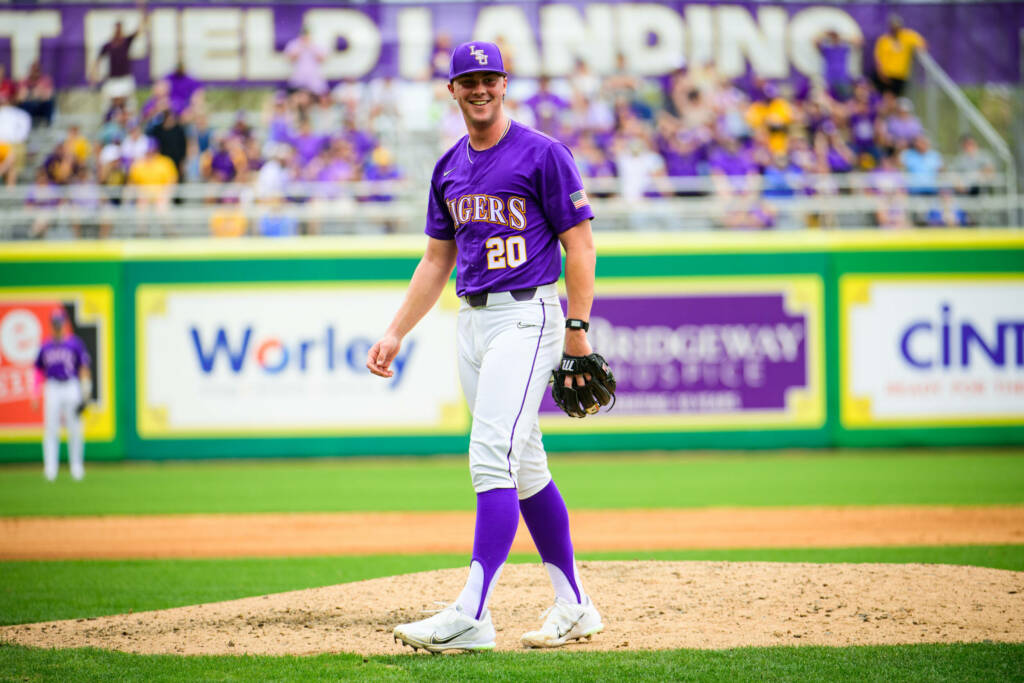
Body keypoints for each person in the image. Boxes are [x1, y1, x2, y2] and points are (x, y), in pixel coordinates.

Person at [367, 41, 604, 653]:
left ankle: (472, 612)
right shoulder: (449, 165)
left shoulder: (543, 153)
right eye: (467, 80)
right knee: (524, 467)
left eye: (488, 78)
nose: (478, 89)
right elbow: (436, 258)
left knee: (488, 457)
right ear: (452, 90)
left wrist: (577, 330)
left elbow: (580, 246)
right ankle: (574, 605)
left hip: (527, 317)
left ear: (504, 84)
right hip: (471, 322)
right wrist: (396, 329)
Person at [32, 308, 92, 481]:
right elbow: (38, 370)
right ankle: (50, 468)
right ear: (51, 324)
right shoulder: (45, 345)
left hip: (71, 385)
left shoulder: (74, 343)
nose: (57, 326)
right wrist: (35, 392)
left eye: (60, 323)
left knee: (75, 428)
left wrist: (86, 389)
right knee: (51, 428)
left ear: (64, 324)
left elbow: (83, 366)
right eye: (55, 323)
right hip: (52, 387)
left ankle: (76, 466)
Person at [89, 4, 149, 112]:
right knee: (107, 106)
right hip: (112, 80)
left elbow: (141, 28)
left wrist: (141, 8)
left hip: (125, 79)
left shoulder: (126, 42)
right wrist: (94, 75)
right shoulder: (108, 45)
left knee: (130, 105)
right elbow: (97, 60)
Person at [873, 14, 926, 96]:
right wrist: (881, 74)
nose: (895, 29)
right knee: (886, 97)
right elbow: (878, 59)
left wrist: (919, 48)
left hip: (900, 76)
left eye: (897, 27)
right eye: (893, 26)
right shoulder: (883, 40)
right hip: (886, 75)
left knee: (896, 98)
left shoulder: (907, 37)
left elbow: (921, 43)